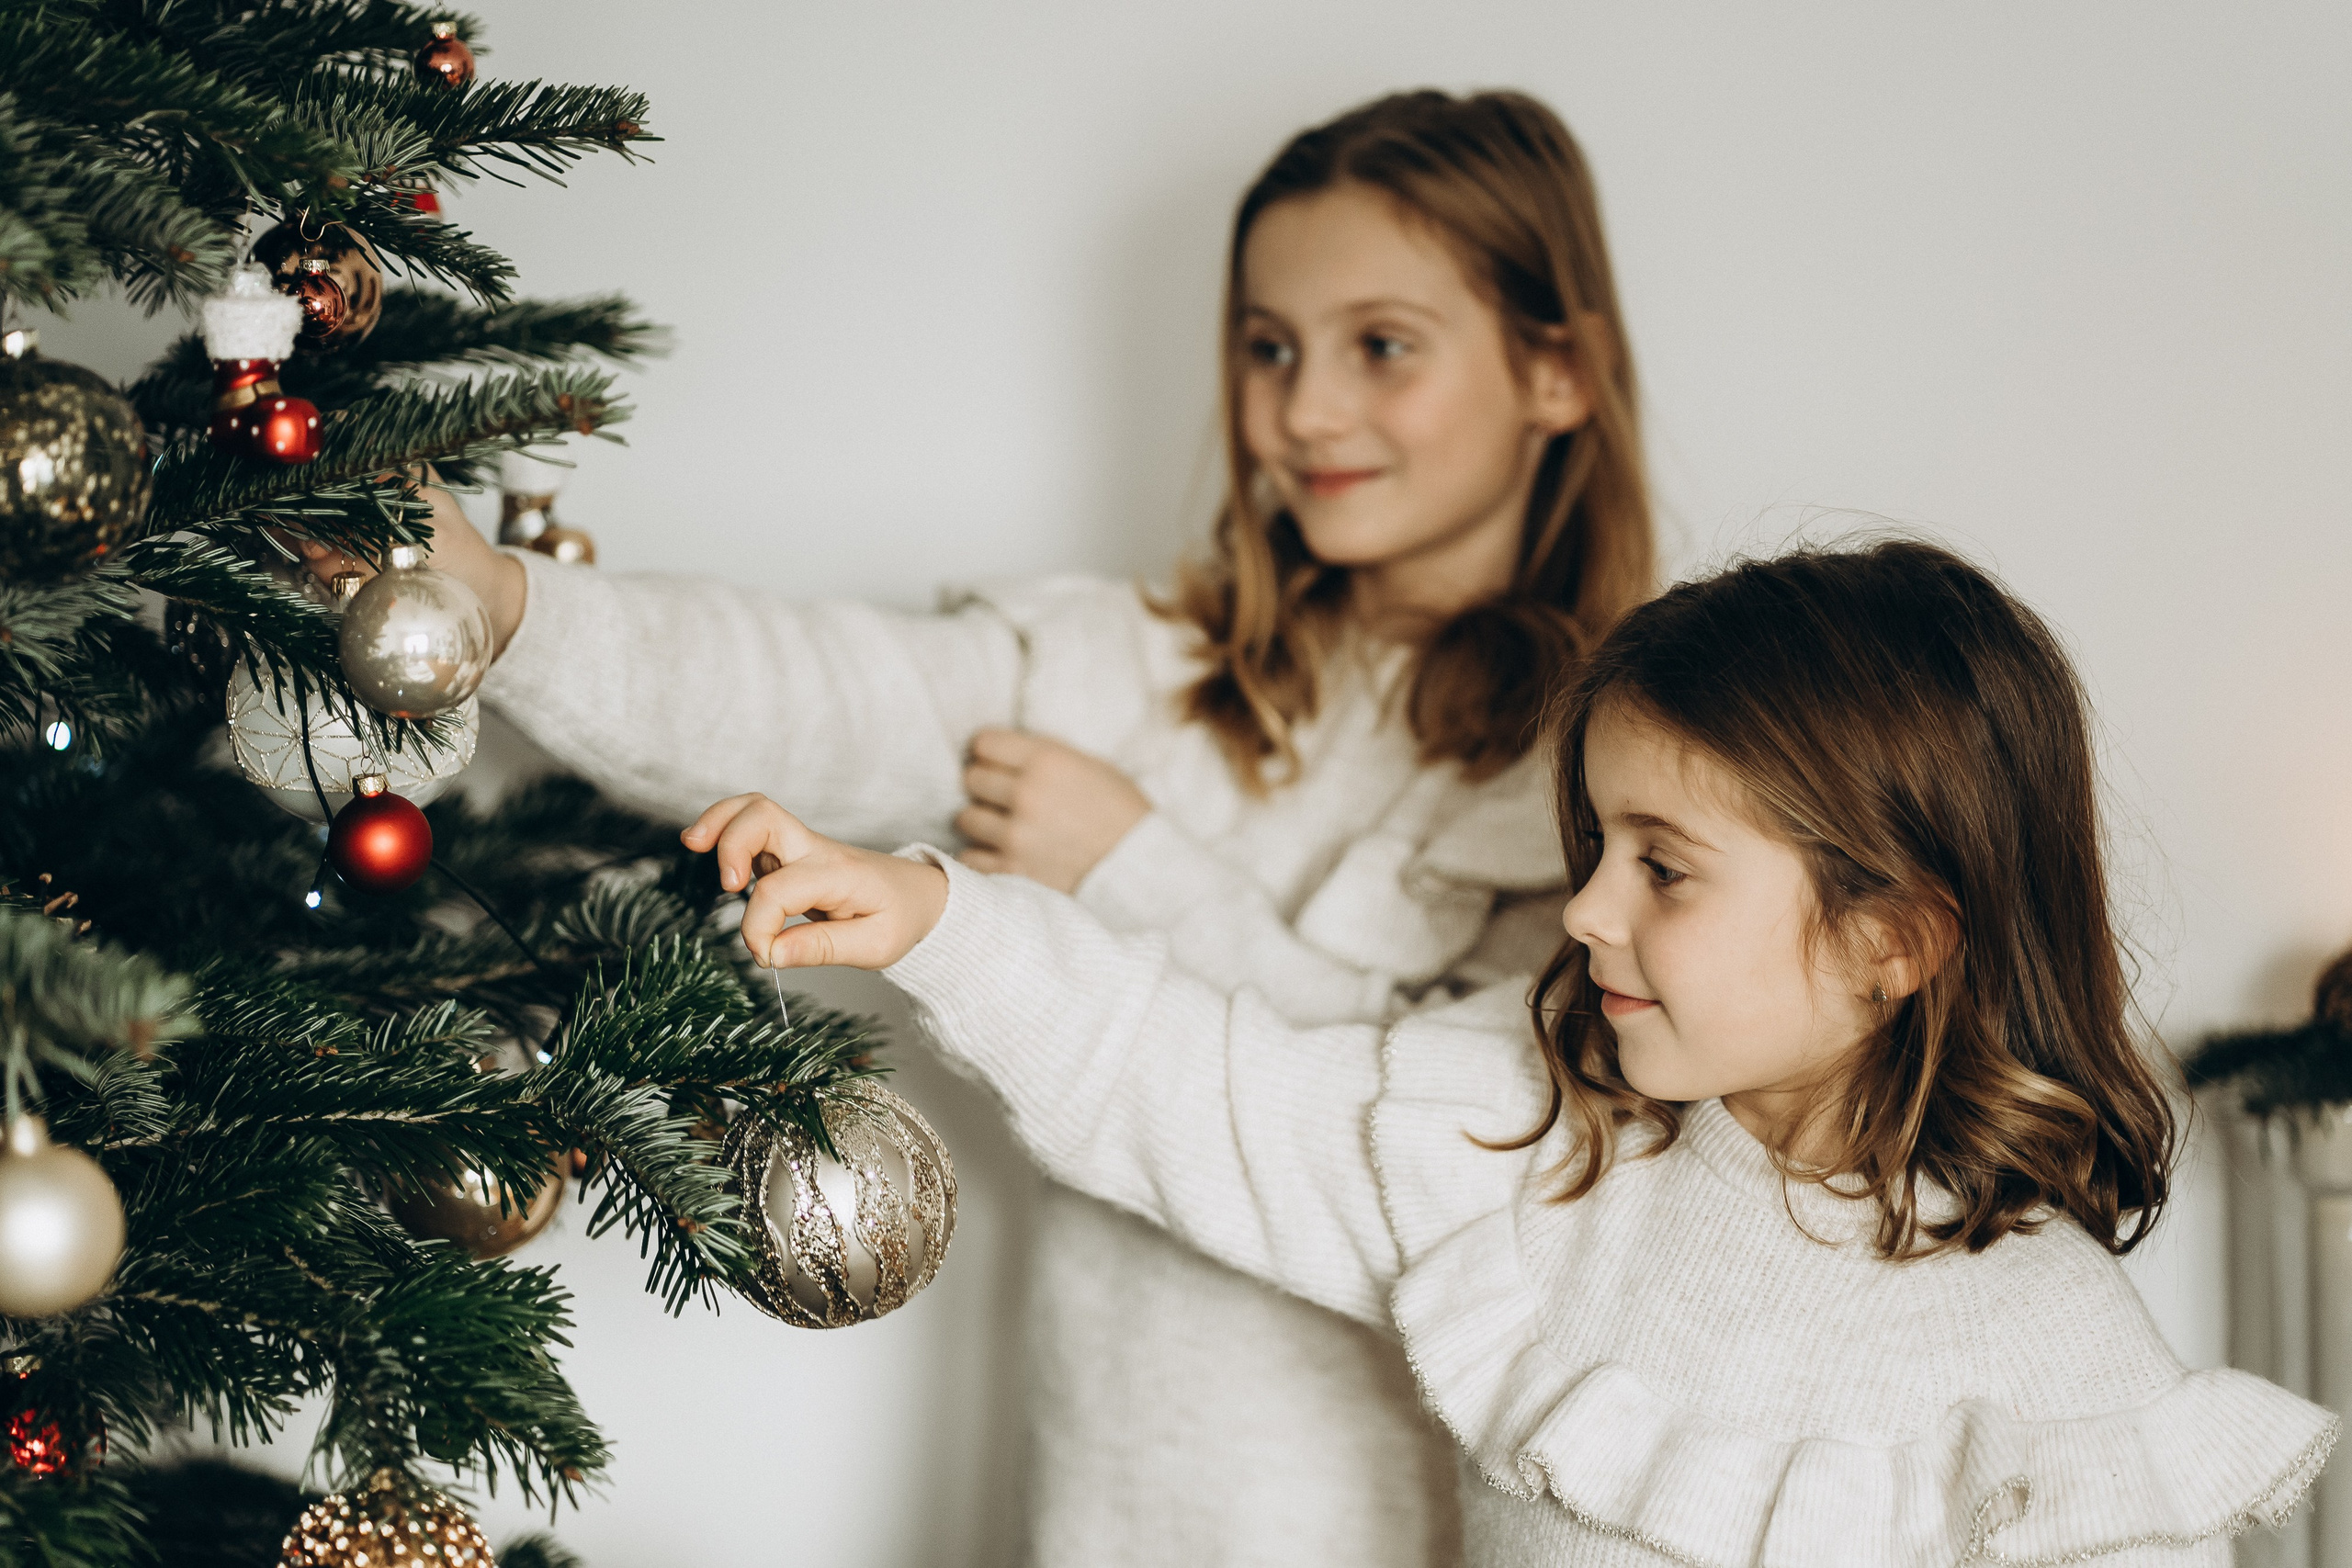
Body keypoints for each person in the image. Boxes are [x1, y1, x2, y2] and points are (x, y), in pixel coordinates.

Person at [306, 90, 1654, 1563]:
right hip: (1097, 1512)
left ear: (1557, 374)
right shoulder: (1128, 667)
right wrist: (514, 609)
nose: (1308, 410)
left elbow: (1457, 1147)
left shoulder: (1622, 786)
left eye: (1381, 347)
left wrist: (1133, 876)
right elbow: (824, 691)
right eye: (1269, 347)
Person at [690, 538, 2337, 1567]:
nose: (1591, 913)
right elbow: (1190, 1083)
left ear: (1895, 939)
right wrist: (940, 917)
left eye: (1663, 868)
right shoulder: (1542, 1136)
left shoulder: (2062, 1366)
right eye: (1596, 847)